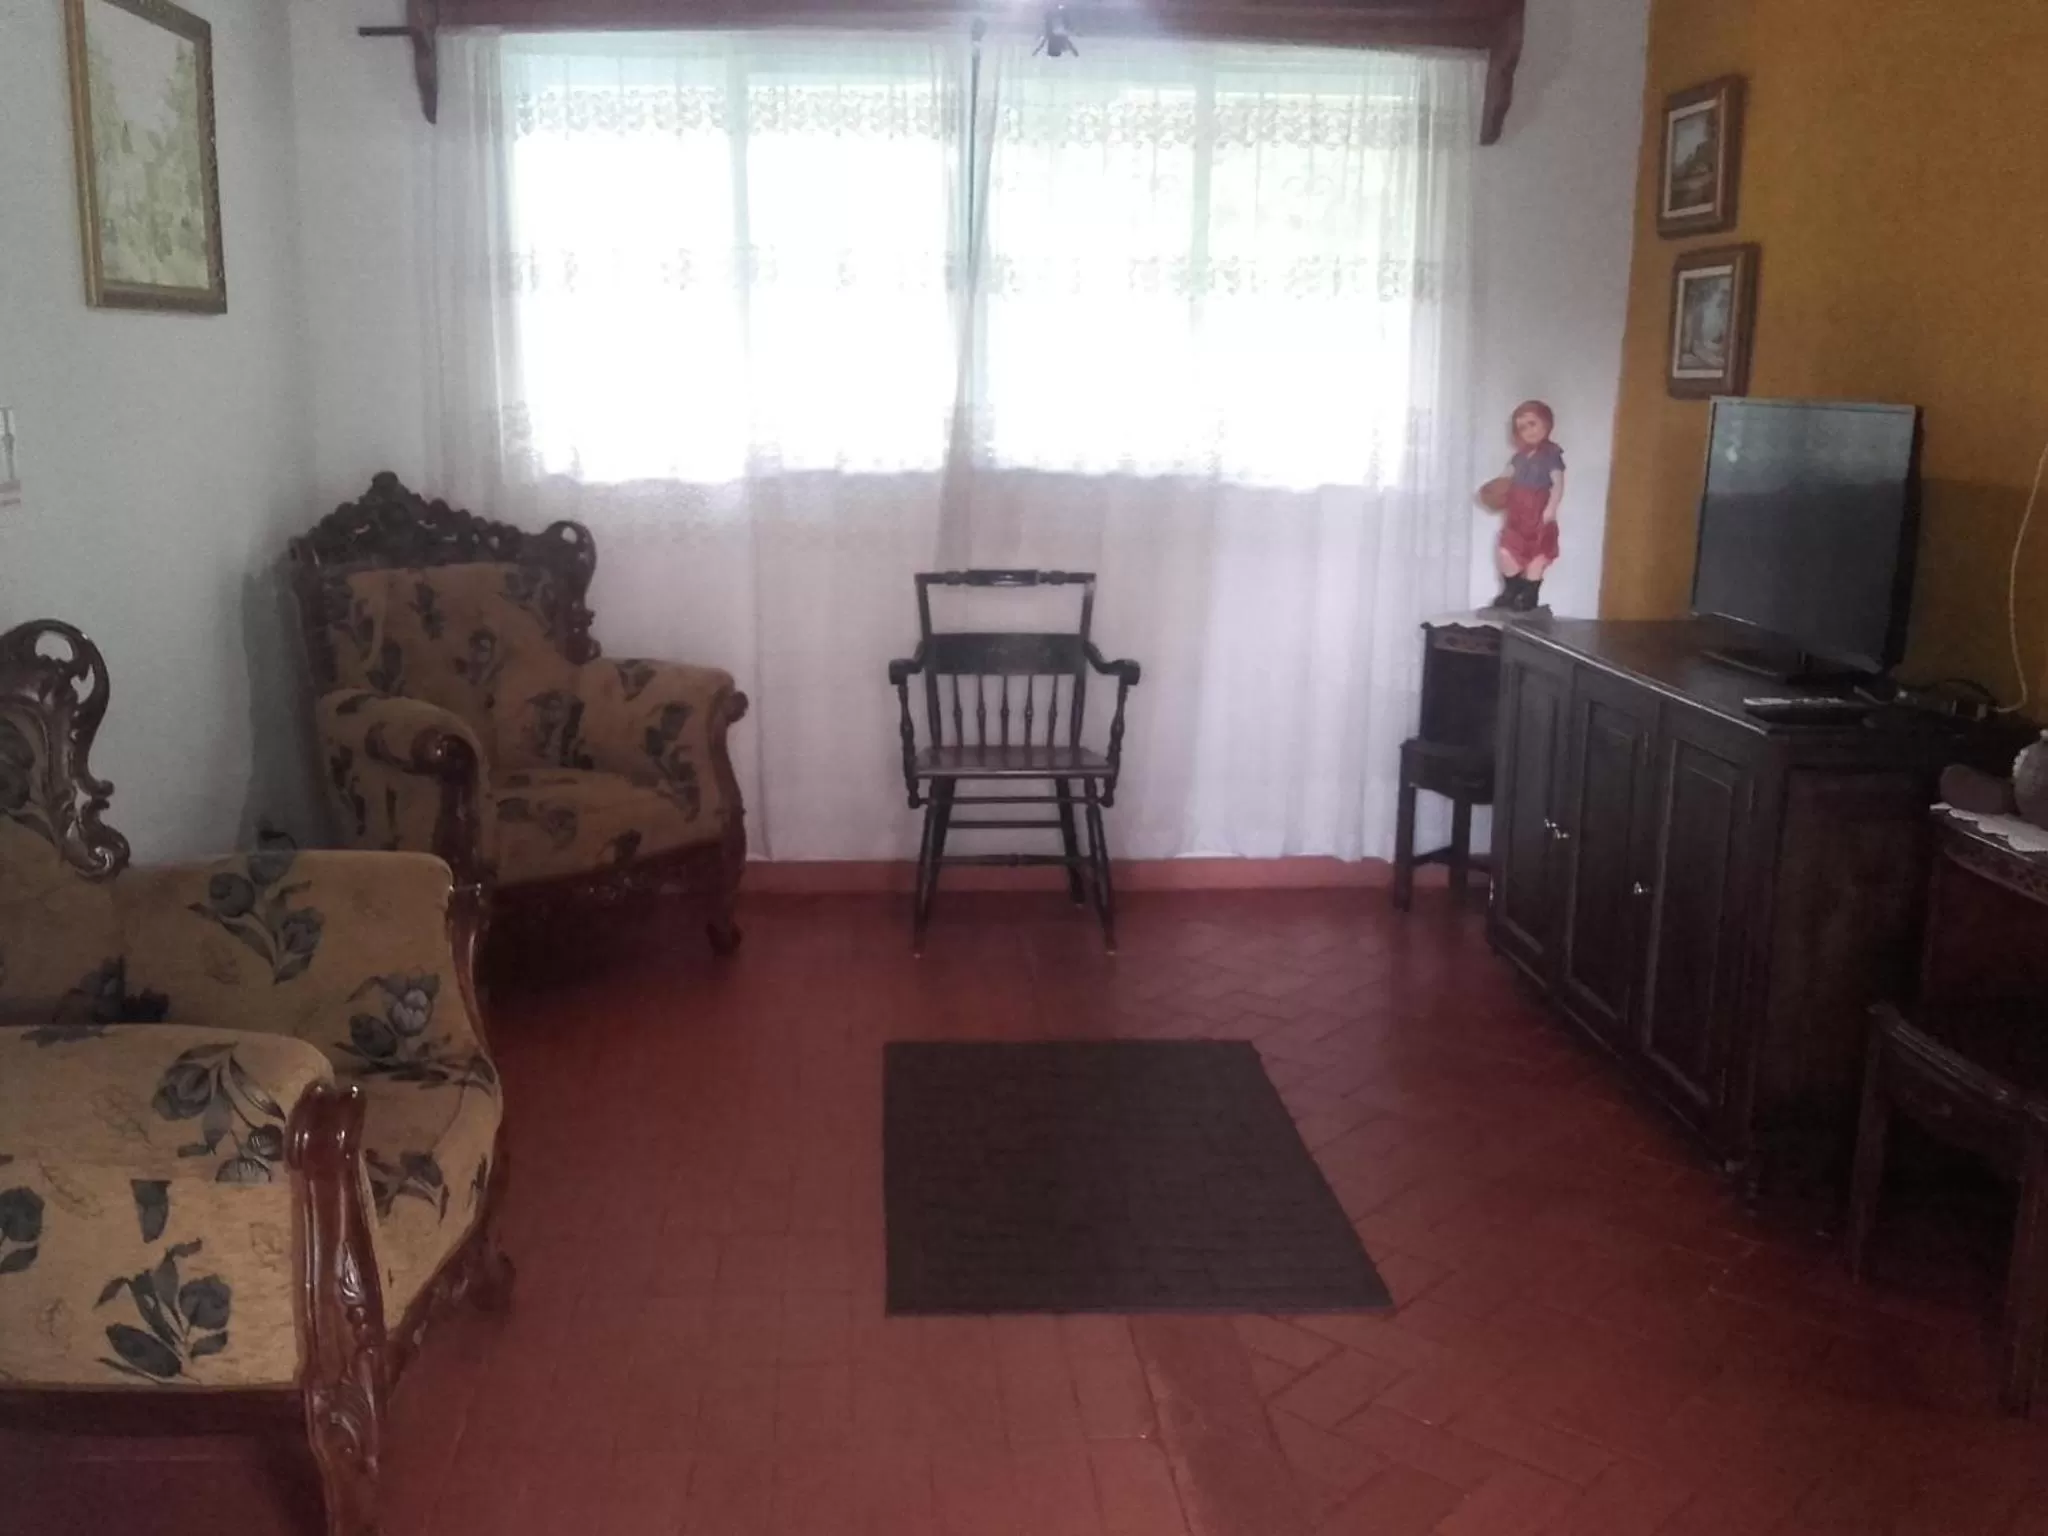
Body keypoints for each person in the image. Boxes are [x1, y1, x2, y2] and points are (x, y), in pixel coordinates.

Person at [1478, 401, 1565, 612]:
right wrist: (1493, 491)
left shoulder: (1551, 454)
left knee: (1538, 552)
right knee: (1507, 550)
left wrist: (1551, 508)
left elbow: (1558, 483)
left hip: (1538, 510)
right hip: (1517, 512)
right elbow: (1505, 477)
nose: (1528, 431)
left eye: (1532, 424)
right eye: (1522, 427)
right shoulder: (1518, 457)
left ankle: (1530, 593)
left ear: (1546, 423)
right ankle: (1512, 588)